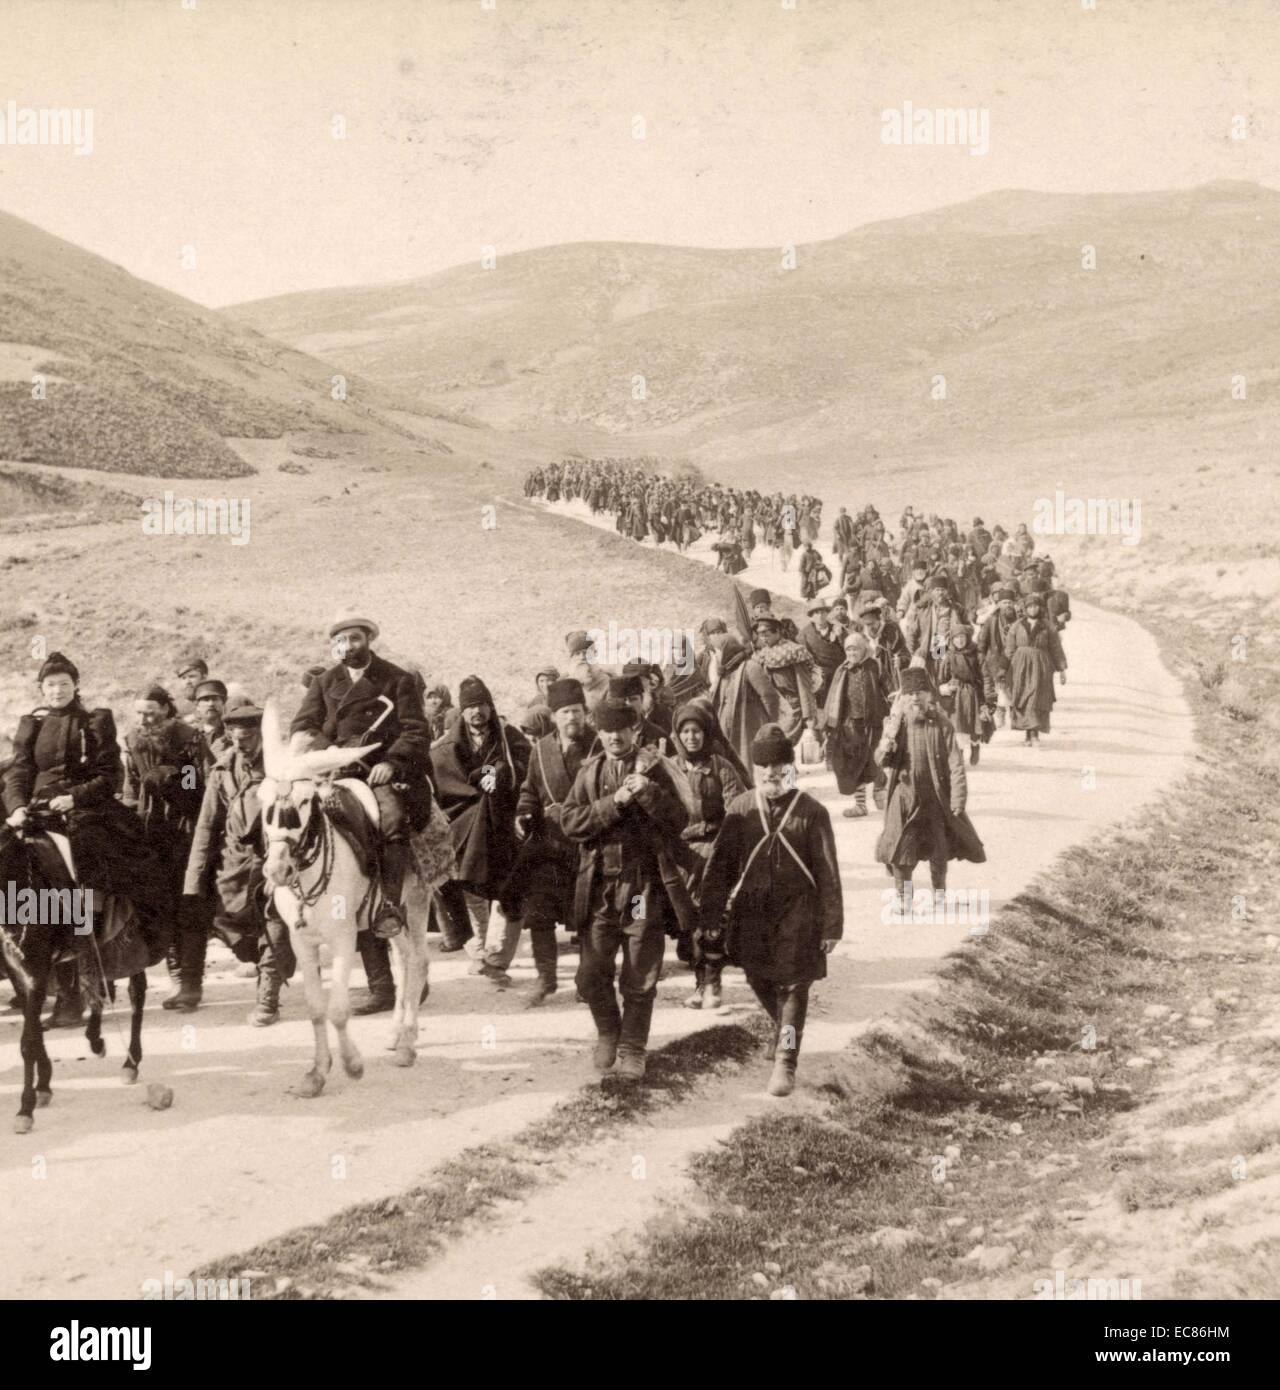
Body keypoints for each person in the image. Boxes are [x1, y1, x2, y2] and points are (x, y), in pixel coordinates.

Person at [2, 653, 173, 1022]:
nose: (58, 690)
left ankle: (86, 942)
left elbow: (109, 776)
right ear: (40, 689)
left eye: (65, 684)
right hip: (35, 809)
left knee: (86, 854)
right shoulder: (31, 725)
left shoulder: (95, 721)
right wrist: (16, 807)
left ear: (76, 686)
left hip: (85, 808)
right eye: (51, 685)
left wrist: (73, 797)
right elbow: (18, 773)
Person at [289, 609, 433, 1014]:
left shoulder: (397, 678)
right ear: (333, 646)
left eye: (354, 639)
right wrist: (322, 751)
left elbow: (415, 729)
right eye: (340, 641)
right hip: (331, 770)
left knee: (391, 820)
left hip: (379, 771)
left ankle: (388, 902)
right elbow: (303, 725)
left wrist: (394, 761)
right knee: (293, 819)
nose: (347, 647)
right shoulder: (323, 682)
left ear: (367, 640)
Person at [697, 724, 843, 1098]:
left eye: (780, 771)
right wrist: (710, 917)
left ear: (791, 770)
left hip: (800, 913)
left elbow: (828, 872)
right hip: (752, 913)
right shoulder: (741, 809)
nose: (773, 778)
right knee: (757, 977)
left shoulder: (813, 813)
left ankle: (786, 1060)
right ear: (755, 769)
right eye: (766, 772)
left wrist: (831, 925)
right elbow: (720, 869)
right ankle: (784, 1032)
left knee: (793, 986)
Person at [561, 699, 688, 1082]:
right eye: (606, 729)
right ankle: (607, 1032)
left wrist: (649, 793)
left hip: (639, 888)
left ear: (635, 731)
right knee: (590, 973)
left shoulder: (655, 769)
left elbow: (680, 820)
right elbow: (570, 822)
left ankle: (633, 1046)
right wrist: (611, 804)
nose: (614, 737)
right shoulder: (590, 772)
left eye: (622, 729)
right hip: (599, 886)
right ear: (597, 733)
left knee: (639, 971)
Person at [183, 698, 292, 1025]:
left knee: (274, 923)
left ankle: (267, 999)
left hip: (272, 858)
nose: (240, 746)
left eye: (247, 739)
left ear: (260, 735)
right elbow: (206, 825)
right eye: (234, 739)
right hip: (234, 865)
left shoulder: (279, 767)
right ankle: (261, 964)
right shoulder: (221, 771)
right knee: (232, 926)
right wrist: (193, 880)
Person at [430, 675, 531, 984]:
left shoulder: (510, 738)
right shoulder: (447, 746)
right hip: (463, 825)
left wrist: (496, 774)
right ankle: (480, 950)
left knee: (507, 888)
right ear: (462, 711)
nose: (477, 713)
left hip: (503, 824)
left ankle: (497, 956)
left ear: (491, 707)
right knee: (467, 885)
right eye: (471, 707)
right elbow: (445, 783)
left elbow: (525, 773)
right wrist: (480, 777)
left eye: (482, 705)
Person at [123, 683, 212, 1011]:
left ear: (166, 709)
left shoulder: (187, 738)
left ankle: (191, 982)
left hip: (185, 829)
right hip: (151, 831)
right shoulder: (132, 741)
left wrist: (169, 778)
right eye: (139, 712)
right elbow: (130, 785)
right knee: (164, 907)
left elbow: (195, 788)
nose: (144, 718)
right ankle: (177, 981)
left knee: (189, 905)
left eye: (150, 711)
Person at [874, 669, 986, 916]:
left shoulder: (942, 723)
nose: (915, 698)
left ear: (929, 694)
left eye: (920, 692)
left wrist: (958, 798)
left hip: (935, 799)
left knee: (938, 850)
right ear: (902, 698)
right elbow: (881, 761)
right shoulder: (896, 724)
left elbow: (956, 763)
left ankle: (939, 894)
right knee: (900, 850)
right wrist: (887, 745)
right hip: (904, 797)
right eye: (910, 694)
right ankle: (904, 899)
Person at [510, 677, 594, 1005]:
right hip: (549, 844)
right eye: (564, 712)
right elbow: (530, 788)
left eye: (576, 711)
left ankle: (589, 979)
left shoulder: (599, 746)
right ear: (554, 716)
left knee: (588, 917)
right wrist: (523, 812)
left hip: (589, 844)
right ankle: (546, 979)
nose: (571, 718)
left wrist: (575, 812)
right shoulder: (541, 749)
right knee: (539, 912)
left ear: (585, 713)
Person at [669, 702, 748, 1008]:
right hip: (681, 854)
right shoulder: (671, 767)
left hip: (715, 850)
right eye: (685, 731)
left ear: (706, 733)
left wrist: (722, 844)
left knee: (710, 916)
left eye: (697, 731)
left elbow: (737, 810)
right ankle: (701, 985)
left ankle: (712, 985)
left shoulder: (720, 768)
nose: (691, 737)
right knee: (688, 921)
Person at [820, 632, 890, 817]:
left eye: (855, 648)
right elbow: (833, 699)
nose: (852, 652)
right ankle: (860, 805)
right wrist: (830, 724)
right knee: (853, 763)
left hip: (875, 722)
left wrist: (894, 704)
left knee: (877, 758)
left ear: (864, 649)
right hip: (850, 725)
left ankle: (880, 791)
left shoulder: (875, 665)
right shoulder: (842, 670)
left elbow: (888, 687)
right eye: (848, 649)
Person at [705, 632, 778, 775]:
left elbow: (769, 696)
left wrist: (770, 724)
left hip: (749, 726)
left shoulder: (750, 667)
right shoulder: (724, 672)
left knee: (752, 763)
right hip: (730, 730)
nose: (717, 657)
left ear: (728, 650)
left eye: (718, 652)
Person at [1004, 595, 1068, 746]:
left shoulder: (1047, 626)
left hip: (1040, 665)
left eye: (1035, 606)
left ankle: (1033, 734)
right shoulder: (1017, 625)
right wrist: (1003, 668)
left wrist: (1062, 668)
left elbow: (1056, 648)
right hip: (1020, 664)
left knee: (1037, 696)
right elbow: (1008, 648)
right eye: (1029, 607)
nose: (1033, 609)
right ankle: (1028, 734)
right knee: (1023, 697)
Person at [752, 615, 818, 746]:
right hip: (774, 709)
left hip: (793, 708)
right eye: (760, 635)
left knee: (784, 747)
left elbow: (804, 686)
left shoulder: (794, 652)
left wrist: (808, 716)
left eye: (766, 634)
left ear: (777, 632)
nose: (763, 638)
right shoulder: (763, 654)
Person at [937, 626, 985, 765]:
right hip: (955, 694)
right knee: (958, 725)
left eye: (962, 637)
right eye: (957, 638)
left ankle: (975, 746)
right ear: (952, 639)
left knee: (972, 723)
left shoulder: (975, 652)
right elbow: (941, 675)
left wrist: (986, 697)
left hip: (971, 692)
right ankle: (959, 755)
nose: (960, 641)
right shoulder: (946, 653)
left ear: (968, 638)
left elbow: (983, 674)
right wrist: (943, 686)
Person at [800, 598, 845, 705]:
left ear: (827, 613)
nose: (820, 616)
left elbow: (847, 648)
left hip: (838, 674)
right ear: (812, 616)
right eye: (816, 613)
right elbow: (804, 657)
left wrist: (841, 636)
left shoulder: (837, 628)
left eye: (822, 612)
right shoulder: (805, 634)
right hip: (820, 677)